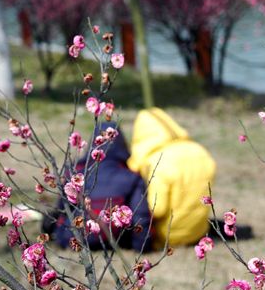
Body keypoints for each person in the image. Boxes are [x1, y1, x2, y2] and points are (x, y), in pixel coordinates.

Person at [51, 121, 152, 252]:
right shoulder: (132, 177)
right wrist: (142, 247)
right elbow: (141, 216)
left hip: (74, 238)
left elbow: (61, 210)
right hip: (115, 239)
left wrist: (55, 235)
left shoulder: (75, 176)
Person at [127, 107, 217, 250]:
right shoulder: (200, 151)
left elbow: (158, 209)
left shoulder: (158, 161)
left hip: (168, 236)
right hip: (198, 232)